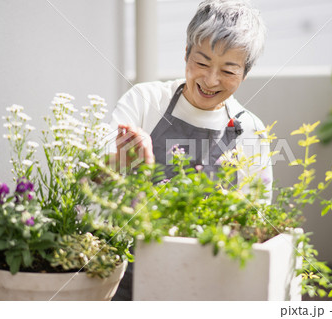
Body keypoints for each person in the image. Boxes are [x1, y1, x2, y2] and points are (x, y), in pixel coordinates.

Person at [110, 0, 272, 301]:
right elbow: (94, 176)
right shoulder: (146, 101)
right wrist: (120, 160)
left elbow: (257, 222)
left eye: (228, 70)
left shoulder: (250, 131)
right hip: (128, 277)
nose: (211, 80)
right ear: (186, 53)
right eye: (201, 63)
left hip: (210, 281)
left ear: (245, 74)